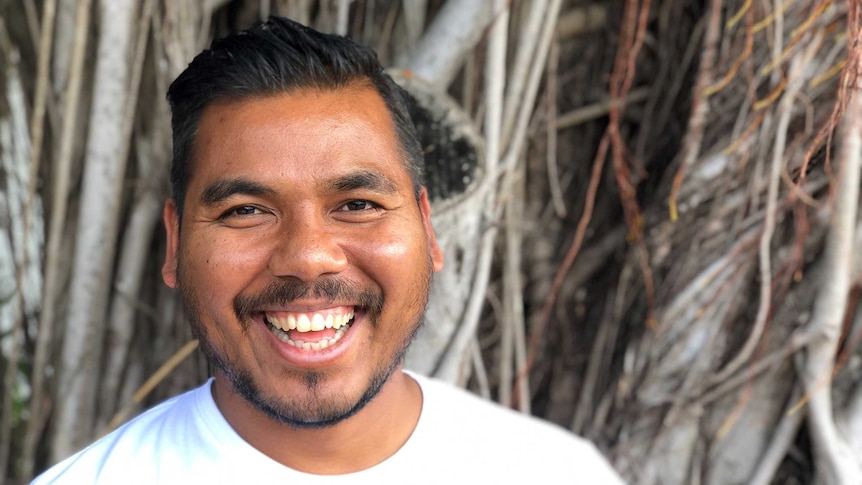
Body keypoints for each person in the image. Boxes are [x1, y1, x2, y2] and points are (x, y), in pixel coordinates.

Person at [33, 17, 624, 484]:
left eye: (358, 204)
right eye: (246, 211)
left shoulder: (555, 473)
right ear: (176, 243)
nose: (309, 256)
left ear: (427, 229)